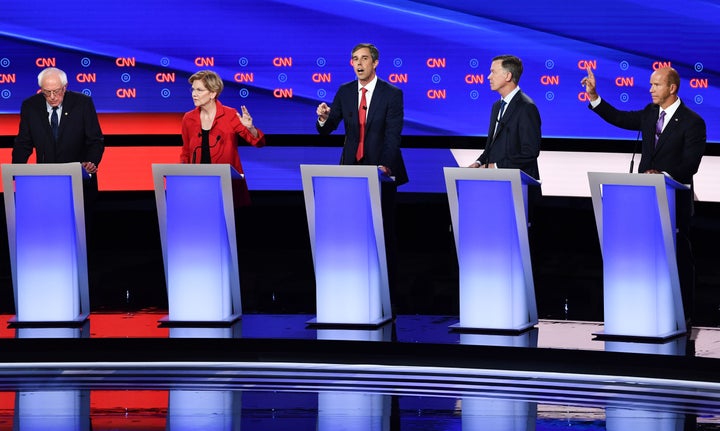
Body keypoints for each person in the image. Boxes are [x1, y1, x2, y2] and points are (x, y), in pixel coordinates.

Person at [581, 65, 706, 324]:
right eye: (650, 84)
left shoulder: (693, 122)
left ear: (672, 88)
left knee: (679, 258)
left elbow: (690, 165)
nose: (650, 89)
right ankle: (645, 311)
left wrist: (662, 176)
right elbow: (620, 118)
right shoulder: (650, 114)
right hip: (643, 202)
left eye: (656, 85)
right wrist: (595, 97)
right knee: (644, 256)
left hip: (674, 203)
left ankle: (683, 315)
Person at [315, 43, 408, 313]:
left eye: (364, 59)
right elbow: (328, 128)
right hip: (351, 173)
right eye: (354, 59)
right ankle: (353, 289)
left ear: (375, 63)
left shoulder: (392, 93)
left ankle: (386, 296)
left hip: (382, 173)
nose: (359, 64)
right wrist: (323, 118)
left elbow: (393, 135)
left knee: (383, 232)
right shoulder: (345, 92)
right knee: (351, 232)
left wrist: (385, 167)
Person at [13, 67, 105, 216]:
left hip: (78, 183)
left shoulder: (82, 103)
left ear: (65, 87)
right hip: (46, 182)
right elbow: (23, 143)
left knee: (82, 230)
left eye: (56, 91)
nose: (52, 97)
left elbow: (95, 140)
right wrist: (15, 171)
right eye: (46, 92)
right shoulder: (30, 106)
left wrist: (91, 162)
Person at [180, 70, 266, 206]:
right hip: (199, 185)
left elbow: (258, 142)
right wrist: (182, 179)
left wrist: (250, 127)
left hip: (227, 185)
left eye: (199, 90)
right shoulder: (188, 118)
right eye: (193, 89)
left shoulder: (230, 115)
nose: (194, 94)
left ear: (213, 93)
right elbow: (186, 152)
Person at [469, 54, 541, 182]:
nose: (488, 77)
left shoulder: (526, 107)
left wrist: (495, 167)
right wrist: (479, 162)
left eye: (493, 72)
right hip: (496, 183)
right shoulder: (497, 106)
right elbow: (491, 146)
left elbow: (530, 152)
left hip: (519, 186)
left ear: (508, 76)